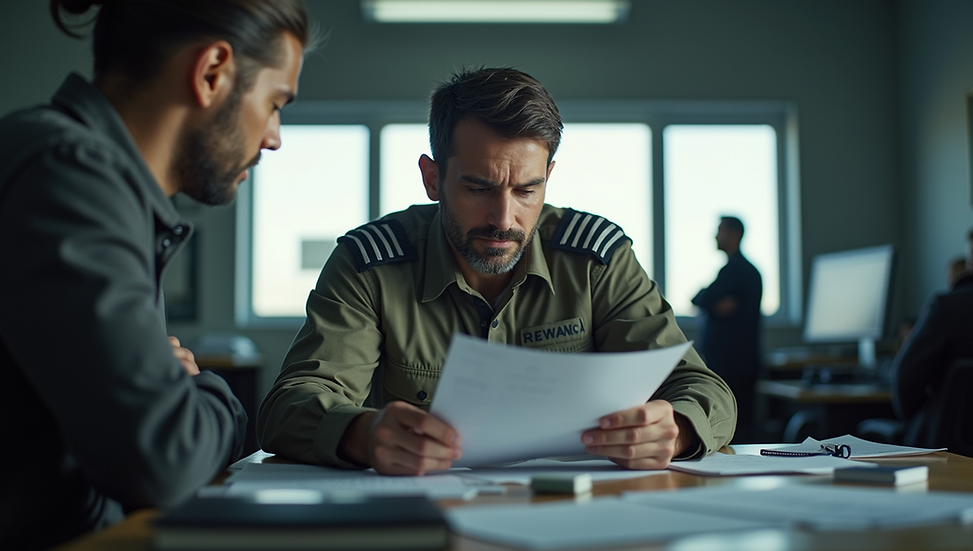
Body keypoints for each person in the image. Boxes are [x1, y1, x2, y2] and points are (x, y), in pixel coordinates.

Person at [257, 67, 736, 476]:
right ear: (432, 178)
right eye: (478, 188)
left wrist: (676, 430)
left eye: (526, 191)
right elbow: (288, 406)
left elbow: (704, 389)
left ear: (548, 179)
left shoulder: (597, 259)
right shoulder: (370, 263)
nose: (504, 220)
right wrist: (362, 435)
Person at [0, 1, 313, 549]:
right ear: (212, 72)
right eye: (274, 103)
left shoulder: (89, 180)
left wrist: (176, 400)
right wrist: (209, 394)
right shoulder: (72, 175)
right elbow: (165, 460)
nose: (274, 137)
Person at [892, 226, 973, 446]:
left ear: (972, 265)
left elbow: (905, 378)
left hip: (947, 452)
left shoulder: (948, 307)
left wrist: (922, 419)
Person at [691, 216, 762, 443]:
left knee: (734, 431)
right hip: (734, 364)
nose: (715, 236)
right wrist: (714, 304)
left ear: (734, 234)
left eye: (720, 230)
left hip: (733, 366)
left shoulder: (737, 271)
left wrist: (710, 302)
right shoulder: (740, 271)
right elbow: (702, 298)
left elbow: (702, 298)